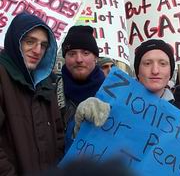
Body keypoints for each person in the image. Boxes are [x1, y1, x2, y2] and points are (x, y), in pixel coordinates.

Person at [0, 12, 64, 175]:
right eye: (30, 42)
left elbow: (58, 136)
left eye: (43, 45)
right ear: (15, 42)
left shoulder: (46, 82)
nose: (37, 50)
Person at [58, 25, 109, 151]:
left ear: (95, 57)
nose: (79, 59)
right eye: (72, 54)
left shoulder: (114, 92)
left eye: (85, 53)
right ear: (65, 58)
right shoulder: (51, 92)